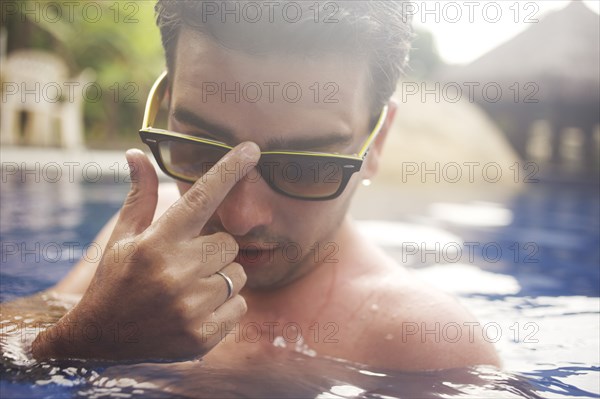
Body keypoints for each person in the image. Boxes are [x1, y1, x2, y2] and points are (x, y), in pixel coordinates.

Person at [25, 0, 500, 370]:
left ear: (377, 143)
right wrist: (86, 338)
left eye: (303, 166)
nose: (240, 216)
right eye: (202, 151)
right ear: (166, 104)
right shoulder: (145, 241)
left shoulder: (423, 341)